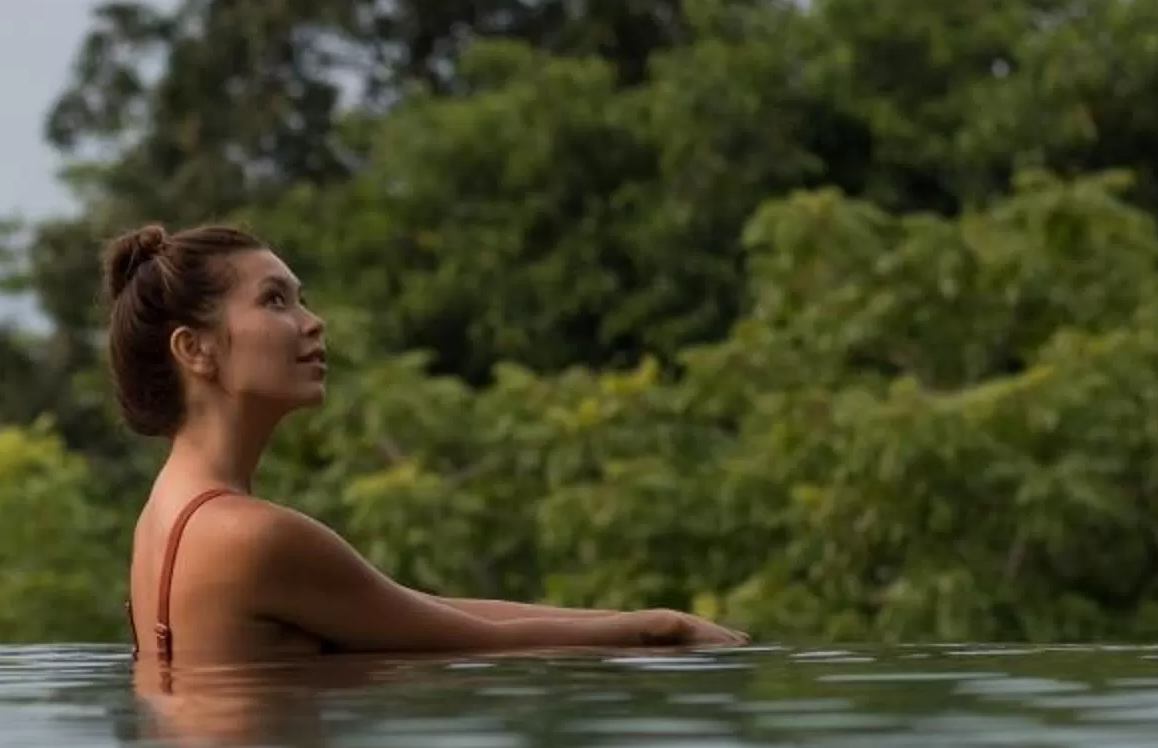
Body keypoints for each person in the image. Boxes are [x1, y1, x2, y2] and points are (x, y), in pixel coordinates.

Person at [105, 222, 748, 667]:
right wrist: (653, 630)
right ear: (195, 349)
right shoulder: (252, 537)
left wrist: (638, 621)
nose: (313, 321)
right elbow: (465, 639)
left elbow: (415, 610)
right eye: (276, 301)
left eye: (303, 299)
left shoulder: (165, 514)